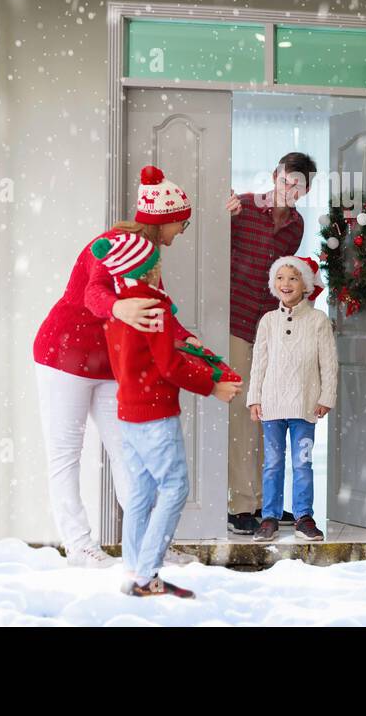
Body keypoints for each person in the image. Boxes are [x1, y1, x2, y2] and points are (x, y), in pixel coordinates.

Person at [31, 165, 202, 568]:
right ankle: (79, 546)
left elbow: (158, 305)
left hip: (107, 365)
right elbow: (93, 292)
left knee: (131, 455)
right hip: (62, 356)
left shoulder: (149, 255)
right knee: (65, 454)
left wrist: (186, 339)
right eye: (183, 223)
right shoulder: (111, 244)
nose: (182, 231)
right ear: (165, 221)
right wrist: (118, 307)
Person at [98, 232, 242, 597]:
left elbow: (145, 354)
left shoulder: (121, 308)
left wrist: (183, 343)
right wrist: (213, 384)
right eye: (155, 261)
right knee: (175, 488)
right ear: (149, 270)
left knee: (141, 491)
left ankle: (133, 567)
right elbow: (169, 366)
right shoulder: (154, 306)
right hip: (155, 416)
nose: (161, 263)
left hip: (128, 414)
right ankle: (147, 576)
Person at [224, 151, 317, 534]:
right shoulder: (243, 207)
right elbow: (214, 249)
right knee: (242, 417)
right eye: (286, 181)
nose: (290, 189)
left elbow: (281, 278)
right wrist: (221, 215)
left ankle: (267, 504)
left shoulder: (296, 225)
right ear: (273, 177)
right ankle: (239, 504)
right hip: (234, 322)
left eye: (299, 185)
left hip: (269, 328)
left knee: (270, 412)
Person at [247, 255, 336, 542]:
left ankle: (303, 517)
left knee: (302, 462)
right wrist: (254, 398)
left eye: (293, 278)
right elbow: (259, 362)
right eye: (281, 278)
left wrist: (326, 396)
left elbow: (329, 363)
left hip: (305, 404)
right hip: (271, 405)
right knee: (272, 462)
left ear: (306, 285)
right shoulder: (269, 321)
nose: (286, 283)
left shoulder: (318, 321)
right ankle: (269, 517)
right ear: (274, 284)